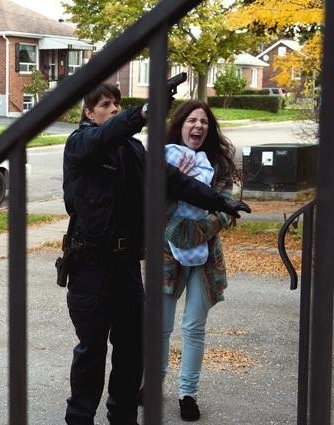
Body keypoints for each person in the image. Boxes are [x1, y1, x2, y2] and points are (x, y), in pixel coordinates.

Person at [62, 84, 250, 425]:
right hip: (91, 267)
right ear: (90, 113)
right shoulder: (80, 145)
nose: (114, 109)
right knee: (91, 351)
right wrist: (143, 114)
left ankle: (123, 418)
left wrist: (221, 202)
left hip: (127, 267)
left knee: (132, 351)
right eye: (106, 105)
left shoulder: (133, 150)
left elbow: (175, 181)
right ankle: (79, 418)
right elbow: (102, 138)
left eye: (118, 104)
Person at [160, 100, 239, 421]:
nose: (198, 126)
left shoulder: (218, 165)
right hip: (166, 256)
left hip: (206, 256)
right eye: (191, 120)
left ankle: (187, 394)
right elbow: (152, 204)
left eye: (204, 122)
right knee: (160, 328)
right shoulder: (164, 160)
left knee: (193, 327)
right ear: (180, 125)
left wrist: (196, 231)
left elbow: (226, 209)